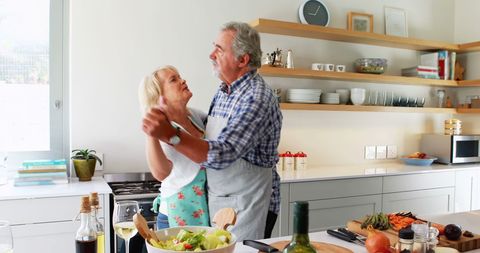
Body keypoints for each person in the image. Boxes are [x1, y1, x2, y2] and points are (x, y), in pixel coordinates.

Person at [142, 21, 283, 240]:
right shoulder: (224, 91)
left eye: (219, 49)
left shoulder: (256, 98)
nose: (211, 54)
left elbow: (222, 153)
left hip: (249, 205)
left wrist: (171, 134)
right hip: (219, 205)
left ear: (242, 60)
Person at [139, 65, 209, 229]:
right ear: (160, 95)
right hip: (176, 214)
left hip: (201, 208)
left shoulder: (194, 115)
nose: (183, 80)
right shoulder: (161, 128)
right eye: (173, 79)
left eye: (179, 76)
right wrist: (152, 134)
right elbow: (160, 173)